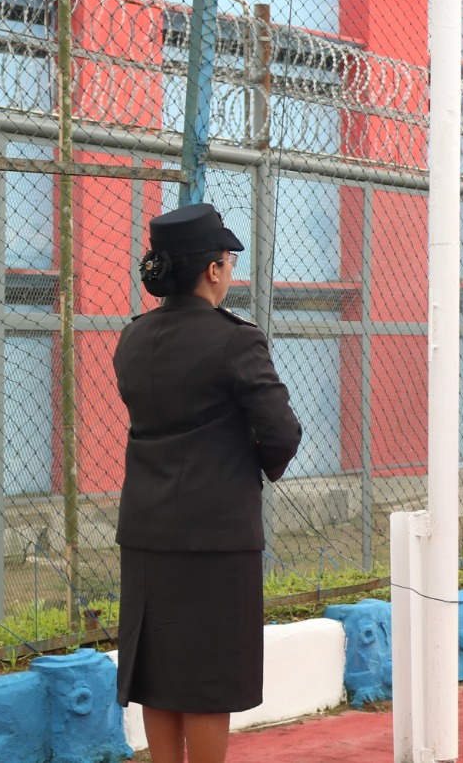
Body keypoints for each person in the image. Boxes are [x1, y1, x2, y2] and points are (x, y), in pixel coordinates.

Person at [114, 203, 302, 763]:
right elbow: (282, 432)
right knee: (207, 674)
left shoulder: (133, 339)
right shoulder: (235, 340)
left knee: (159, 672)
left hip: (146, 532)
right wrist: (241, 463)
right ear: (214, 270)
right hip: (215, 537)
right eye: (227, 261)